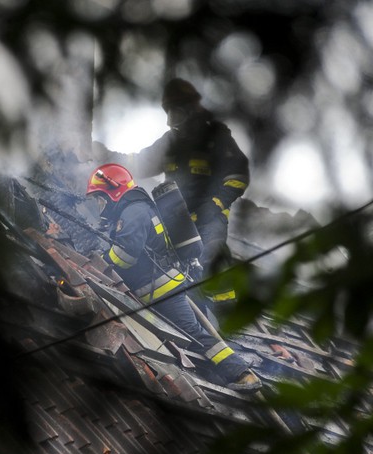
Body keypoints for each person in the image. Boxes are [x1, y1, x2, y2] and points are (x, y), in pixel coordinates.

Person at [85, 163, 261, 392]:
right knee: (185, 338)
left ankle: (243, 374)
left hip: (164, 293)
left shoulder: (134, 211)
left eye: (100, 198)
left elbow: (125, 256)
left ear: (113, 191)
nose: (100, 205)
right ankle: (221, 376)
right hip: (159, 292)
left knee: (194, 335)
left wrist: (101, 259)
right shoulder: (135, 208)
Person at [93, 78, 249, 316]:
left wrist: (216, 204)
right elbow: (140, 162)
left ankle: (226, 316)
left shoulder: (216, 137)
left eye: (174, 113)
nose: (170, 121)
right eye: (168, 114)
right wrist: (104, 155)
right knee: (168, 259)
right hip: (176, 216)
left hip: (210, 217)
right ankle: (187, 307)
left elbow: (238, 175)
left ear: (190, 110)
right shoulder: (170, 141)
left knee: (212, 255)